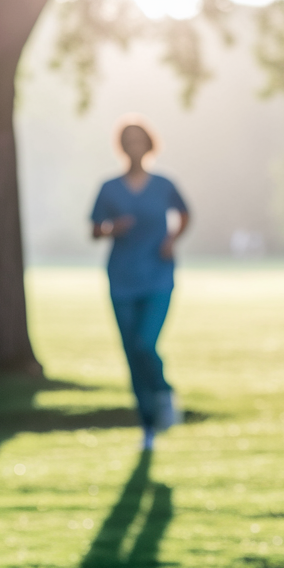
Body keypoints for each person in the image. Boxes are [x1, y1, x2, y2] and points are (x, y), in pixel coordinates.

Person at [91, 117, 190, 451]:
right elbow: (94, 228)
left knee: (146, 343)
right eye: (128, 141)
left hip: (158, 276)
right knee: (131, 352)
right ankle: (147, 425)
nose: (134, 147)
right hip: (121, 278)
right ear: (121, 147)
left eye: (139, 140)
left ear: (149, 144)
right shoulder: (109, 188)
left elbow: (185, 213)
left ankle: (163, 393)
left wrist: (172, 239)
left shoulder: (163, 185)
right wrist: (110, 229)